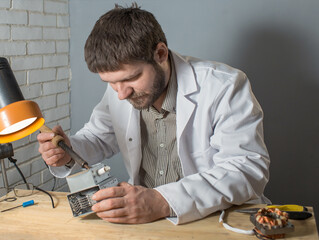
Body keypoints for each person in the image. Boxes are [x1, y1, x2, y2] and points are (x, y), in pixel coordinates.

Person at [37, 4, 270, 225]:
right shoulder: (120, 90)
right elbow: (97, 138)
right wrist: (68, 151)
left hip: (216, 219)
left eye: (130, 78)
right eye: (111, 82)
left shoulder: (224, 86)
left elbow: (245, 170)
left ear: (160, 53)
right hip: (147, 223)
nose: (121, 94)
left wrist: (161, 200)